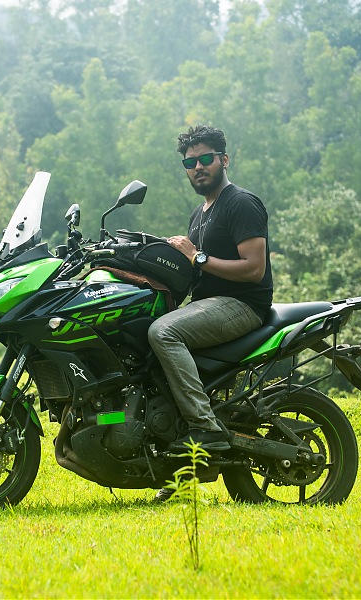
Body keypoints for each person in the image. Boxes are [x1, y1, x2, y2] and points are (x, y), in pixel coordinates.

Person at [148, 125, 274, 455]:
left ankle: (205, 427)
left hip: (242, 304)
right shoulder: (199, 214)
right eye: (190, 163)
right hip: (209, 304)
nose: (198, 167)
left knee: (164, 333)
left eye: (206, 158)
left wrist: (196, 256)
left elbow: (254, 268)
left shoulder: (241, 203)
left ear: (224, 159)